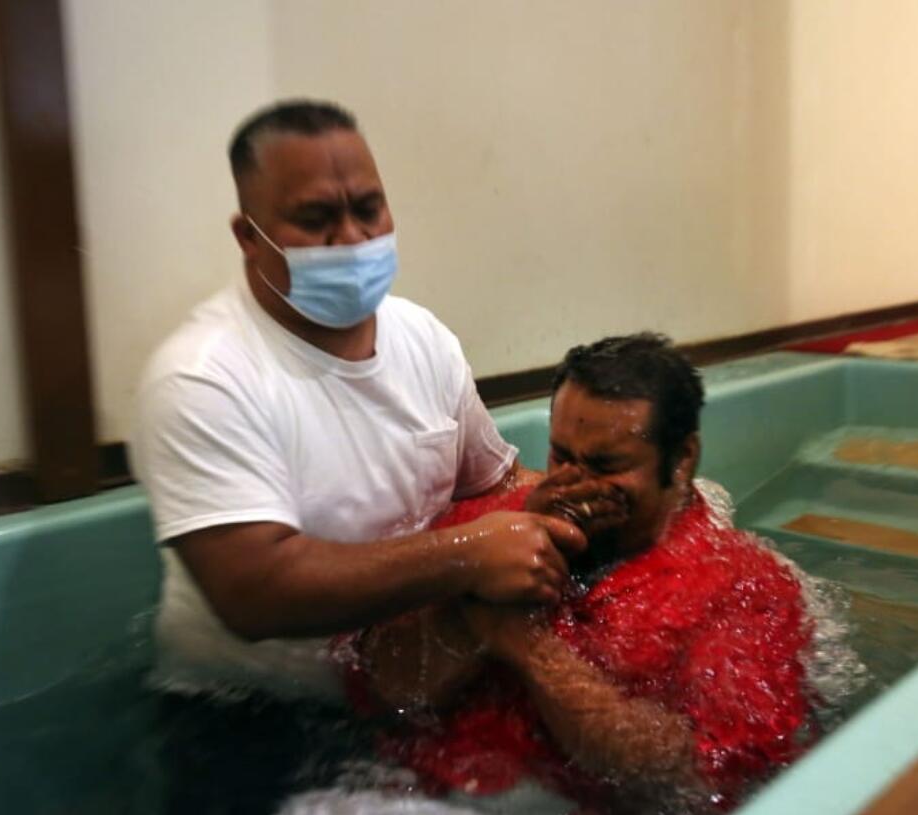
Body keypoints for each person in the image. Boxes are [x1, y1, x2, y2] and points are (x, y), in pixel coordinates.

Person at [130, 100, 583, 702]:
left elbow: (492, 485)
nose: (351, 238)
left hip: (403, 675)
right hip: (251, 706)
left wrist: (603, 505)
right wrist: (466, 556)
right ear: (249, 236)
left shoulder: (423, 338)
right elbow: (254, 594)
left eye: (368, 209)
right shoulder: (200, 379)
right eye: (316, 218)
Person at [344, 334, 817, 815]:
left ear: (681, 460)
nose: (575, 483)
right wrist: (469, 611)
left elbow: (699, 774)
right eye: (561, 456)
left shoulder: (745, 590)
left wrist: (527, 645)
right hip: (404, 797)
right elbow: (378, 684)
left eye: (606, 466)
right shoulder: (493, 529)